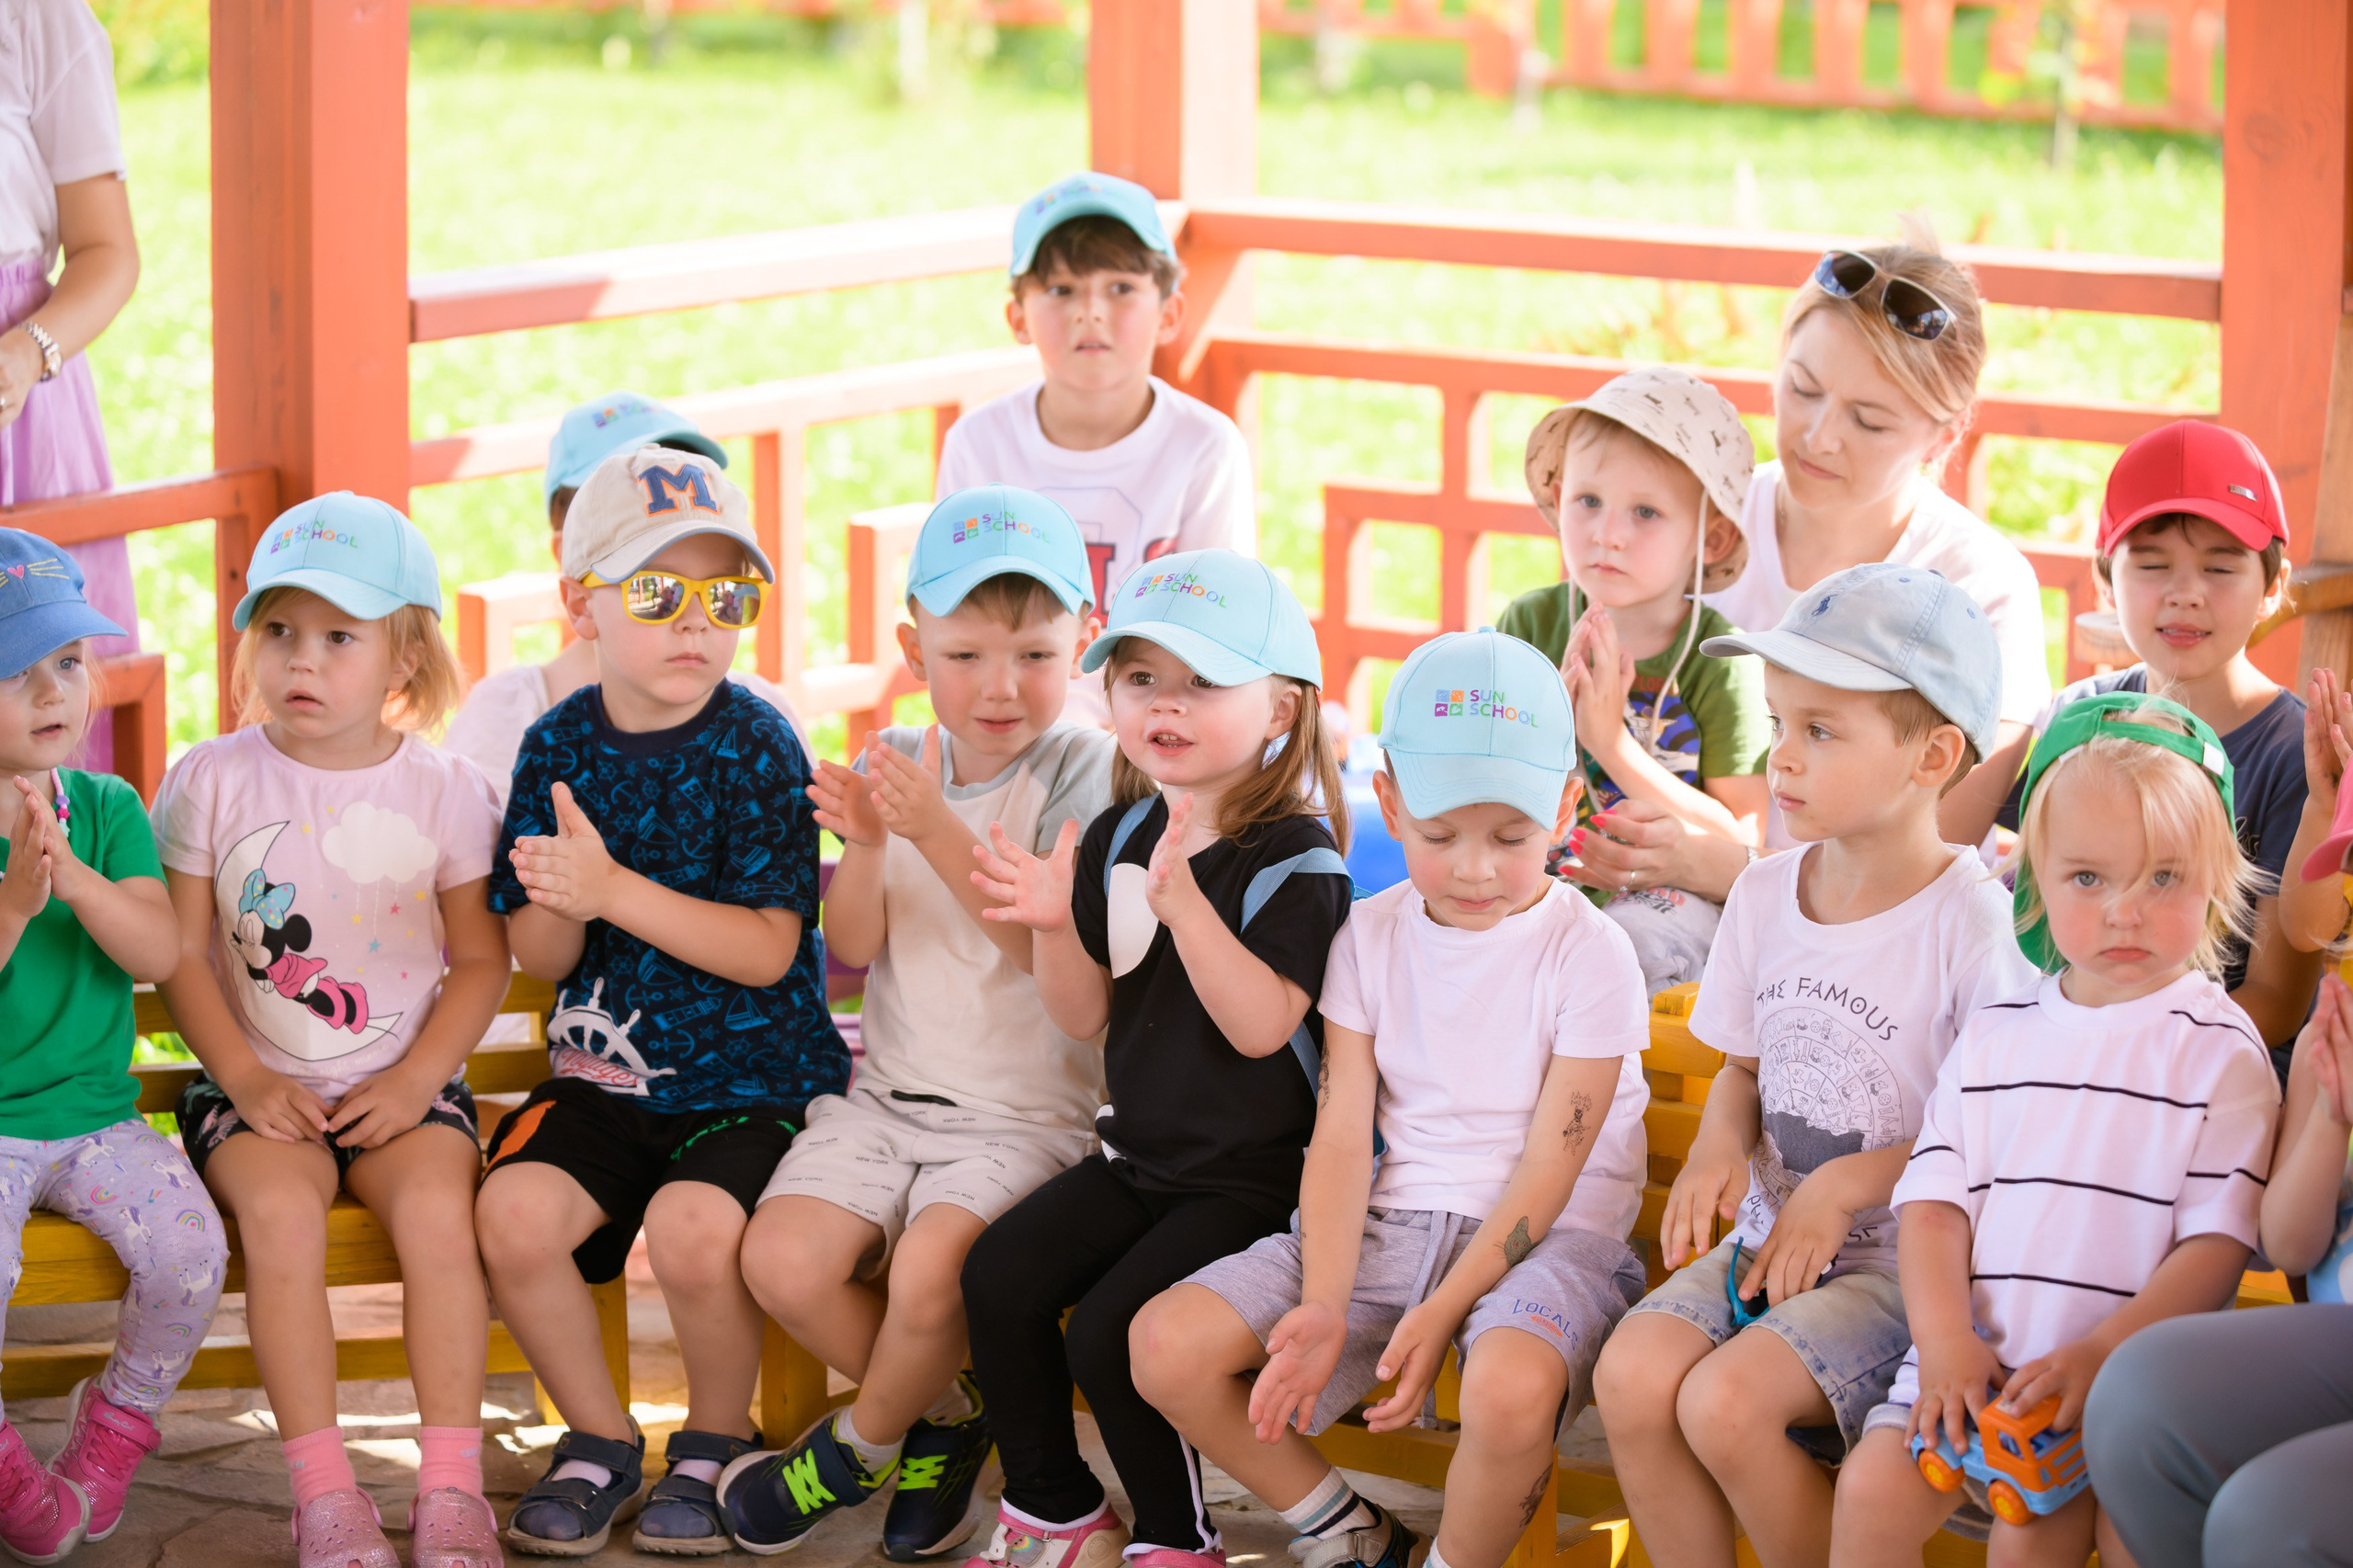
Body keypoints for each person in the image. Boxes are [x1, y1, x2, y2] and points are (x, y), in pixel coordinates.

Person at [1131, 630, 1654, 1568]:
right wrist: (1327, 1300)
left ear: (1564, 806)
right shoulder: (1368, 936)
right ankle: (1346, 1529)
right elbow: (1340, 1133)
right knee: (1165, 1343)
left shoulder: (1590, 953)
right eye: (1440, 833)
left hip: (1552, 1240)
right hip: (1387, 1226)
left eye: (1511, 836)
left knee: (1503, 1388)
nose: (1476, 869)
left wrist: (1445, 1308)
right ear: (1389, 802)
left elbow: (1552, 1165)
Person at [1590, 563, 2040, 1568]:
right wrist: (1715, 1139)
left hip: (1905, 1269)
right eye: (1779, 722)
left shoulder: (1970, 922)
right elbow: (1742, 1070)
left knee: (1726, 1401)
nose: (1780, 758)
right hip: (1767, 1236)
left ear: (1932, 755)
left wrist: (1841, 1184)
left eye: (1820, 731)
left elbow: (1990, 1126)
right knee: (1630, 1374)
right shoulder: (1762, 892)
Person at [716, 486, 1113, 1559]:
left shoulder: (1088, 770)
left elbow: (1045, 956)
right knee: (782, 1256)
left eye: (1034, 652)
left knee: (937, 1267)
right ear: (912, 645)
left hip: (1029, 1117)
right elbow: (851, 943)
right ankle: (948, 1409)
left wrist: (933, 827)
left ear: (1083, 637)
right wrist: (880, 843)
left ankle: (854, 1442)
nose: (1000, 686)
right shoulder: (898, 753)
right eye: (966, 653)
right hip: (888, 1096)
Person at [474, 448, 848, 1558]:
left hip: (750, 1080)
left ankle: (712, 1441)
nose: (696, 623)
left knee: (696, 1232)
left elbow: (767, 950)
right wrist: (555, 897)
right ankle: (597, 1436)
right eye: (655, 592)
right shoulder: (555, 743)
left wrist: (612, 889)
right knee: (512, 1214)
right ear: (579, 601)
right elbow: (540, 949)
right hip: (604, 1076)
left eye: (725, 596)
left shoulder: (754, 740)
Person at [958, 550, 1354, 1568]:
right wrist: (1054, 923)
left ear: (1280, 708)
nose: (1164, 705)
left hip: (1254, 1181)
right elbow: (1085, 1011)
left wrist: (1185, 907)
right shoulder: (1123, 828)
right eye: (1141, 679)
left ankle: (1179, 1540)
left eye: (1203, 681)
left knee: (1104, 1331)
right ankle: (1056, 1507)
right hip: (1138, 1159)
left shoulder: (1296, 857)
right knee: (998, 1273)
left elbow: (1264, 1026)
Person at [1831, 692, 2277, 1568]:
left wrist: (2102, 1356)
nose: (2124, 911)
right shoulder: (1998, 1031)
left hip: (2105, 1387)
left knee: (2030, 1543)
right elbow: (1932, 1207)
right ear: (2034, 879)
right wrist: (1945, 1339)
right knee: (1870, 1493)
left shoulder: (2220, 1053)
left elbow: (2215, 1248)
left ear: (2217, 879)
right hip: (1959, 1359)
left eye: (2164, 877)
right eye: (2088, 878)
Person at [152, 494, 509, 1568]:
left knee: (443, 1219)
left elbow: (481, 958)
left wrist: (416, 1085)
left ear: (406, 649)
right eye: (279, 631)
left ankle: (451, 1487)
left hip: (406, 1087)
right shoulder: (210, 779)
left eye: (339, 636)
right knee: (281, 1220)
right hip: (252, 1086)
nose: (302, 660)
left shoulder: (447, 791)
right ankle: (324, 1491)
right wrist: (246, 1076)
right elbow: (180, 954)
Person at [1577, 233, 2051, 903]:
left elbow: (1924, 866)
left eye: (1870, 421)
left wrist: (1715, 865)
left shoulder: (1980, 585)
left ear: (1943, 436)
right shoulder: (1687, 521)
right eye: (1803, 388)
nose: (1819, 436)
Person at [0, 529, 224, 1562]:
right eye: (17, 669)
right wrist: (15, 899)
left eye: (68, 661)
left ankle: (118, 1423)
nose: (53, 689)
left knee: (190, 1250)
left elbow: (157, 946)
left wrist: (75, 877)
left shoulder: (108, 805)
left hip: (96, 1121)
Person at [1997, 420, 2322, 1071]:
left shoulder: (2294, 753)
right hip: (2068, 1044)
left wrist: (2133, 1047)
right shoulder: (2077, 718)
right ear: (2106, 582)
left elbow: (2279, 997)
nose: (2185, 593)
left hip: (2220, 1068)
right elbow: (2017, 891)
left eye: (2220, 566)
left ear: (2273, 587)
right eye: (2151, 566)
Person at [938, 173, 1255, 725]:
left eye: (1121, 288)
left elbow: (1218, 628)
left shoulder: (1205, 445)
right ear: (1018, 317)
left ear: (1170, 313)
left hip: (1165, 725)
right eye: (1061, 290)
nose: (1091, 311)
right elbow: (961, 619)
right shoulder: (979, 442)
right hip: (1015, 723)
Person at [1500, 368, 1769, 994]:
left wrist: (1609, 744)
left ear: (1713, 537)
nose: (1607, 535)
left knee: (1622, 952)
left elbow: (1739, 836)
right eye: (1588, 501)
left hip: (1664, 896)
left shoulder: (1721, 658)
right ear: (1560, 494)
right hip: (1541, 875)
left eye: (1645, 512)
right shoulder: (1531, 623)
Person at [442, 391, 807, 809]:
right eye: (623, 489)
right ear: (571, 559)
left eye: (689, 480)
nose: (666, 496)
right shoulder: (511, 719)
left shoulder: (760, 723)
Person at [0, 2, 144, 777]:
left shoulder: (38, 17)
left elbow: (108, 250)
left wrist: (29, 352)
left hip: (17, 399)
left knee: (35, 684)